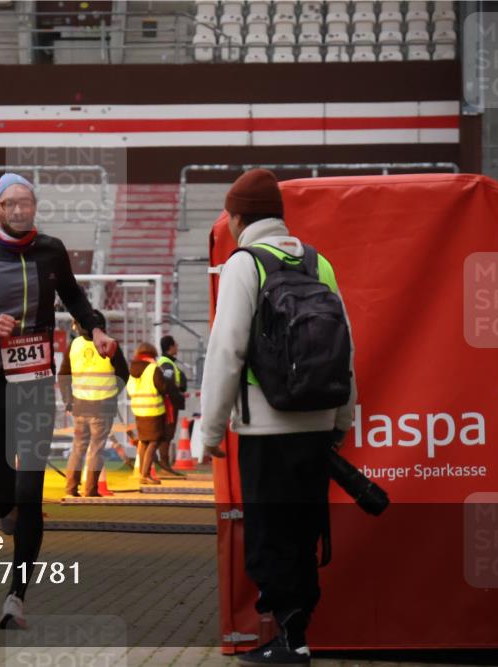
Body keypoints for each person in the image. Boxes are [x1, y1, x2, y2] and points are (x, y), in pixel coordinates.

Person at [0, 173, 117, 630]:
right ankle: (7, 511)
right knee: (0, 492)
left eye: (27, 202)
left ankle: (15, 597)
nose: (20, 210)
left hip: (34, 379)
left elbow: (74, 296)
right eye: (11, 204)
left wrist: (94, 328)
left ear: (34, 207)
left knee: (29, 491)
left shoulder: (51, 250)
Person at [199, 169, 357, 664]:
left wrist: (209, 430)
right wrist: (341, 420)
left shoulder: (243, 265)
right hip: (316, 422)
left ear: (238, 217)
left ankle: (288, 641)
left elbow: (226, 351)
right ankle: (298, 632)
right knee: (303, 528)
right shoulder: (319, 263)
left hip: (266, 428)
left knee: (269, 531)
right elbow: (346, 348)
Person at [58, 310, 129, 497]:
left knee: (78, 447)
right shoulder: (110, 344)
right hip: (103, 406)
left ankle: (71, 488)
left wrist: (69, 400)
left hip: (80, 406)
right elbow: (123, 374)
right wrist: (112, 394)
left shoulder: (73, 346)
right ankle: (90, 489)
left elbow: (63, 377)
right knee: (96, 449)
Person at [126, 342, 179, 486]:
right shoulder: (152, 368)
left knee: (143, 442)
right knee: (154, 442)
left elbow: (130, 389)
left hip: (138, 409)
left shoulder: (132, 369)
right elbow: (162, 387)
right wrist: (167, 382)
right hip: (154, 410)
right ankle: (146, 474)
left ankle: (142, 474)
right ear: (152, 353)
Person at [157, 334, 188, 474]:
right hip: (169, 403)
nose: (178, 347)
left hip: (169, 401)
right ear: (170, 347)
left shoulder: (167, 362)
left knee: (167, 432)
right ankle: (164, 464)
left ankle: (164, 464)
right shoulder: (167, 363)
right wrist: (177, 395)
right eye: (176, 344)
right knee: (167, 433)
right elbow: (168, 382)